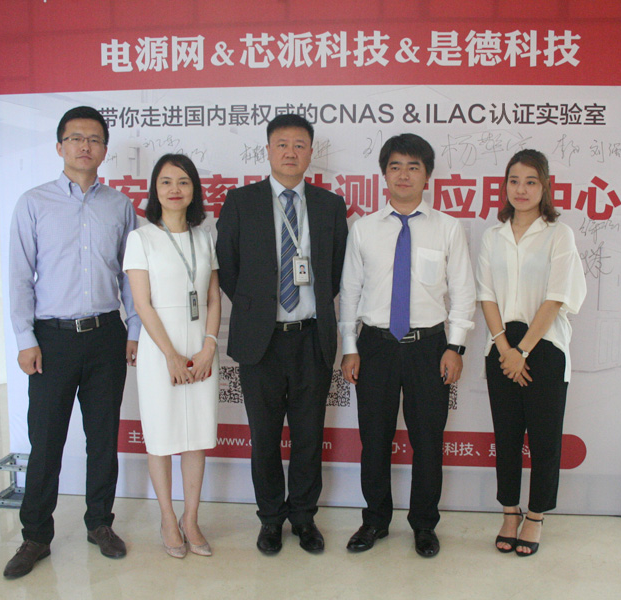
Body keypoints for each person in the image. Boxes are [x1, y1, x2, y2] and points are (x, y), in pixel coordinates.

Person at [5, 106, 139, 578]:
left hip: (106, 336)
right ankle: (35, 536)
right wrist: (25, 338)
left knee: (103, 437)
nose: (86, 146)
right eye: (76, 138)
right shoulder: (33, 203)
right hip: (52, 339)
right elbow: (19, 275)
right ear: (60, 146)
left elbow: (130, 276)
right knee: (46, 440)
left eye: (95, 139)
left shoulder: (120, 206)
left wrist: (134, 331)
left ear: (104, 149)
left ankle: (99, 523)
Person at [216, 114, 348, 555]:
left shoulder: (329, 206)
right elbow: (228, 267)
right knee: (265, 437)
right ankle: (271, 519)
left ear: (311, 152)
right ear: (268, 150)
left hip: (311, 338)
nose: (291, 152)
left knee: (309, 436)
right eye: (282, 144)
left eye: (299, 145)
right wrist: (257, 310)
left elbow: (336, 272)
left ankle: (304, 518)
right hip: (261, 341)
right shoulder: (241, 201)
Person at [339, 133, 476, 558]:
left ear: (427, 176)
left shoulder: (448, 228)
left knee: (428, 441)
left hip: (429, 347)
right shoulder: (363, 229)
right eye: (395, 166)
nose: (403, 174)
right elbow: (350, 292)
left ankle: (424, 524)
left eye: (413, 167)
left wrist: (456, 347)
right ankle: (374, 521)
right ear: (384, 174)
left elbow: (464, 293)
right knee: (374, 439)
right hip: (375, 346)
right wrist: (349, 346)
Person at [476, 149, 586, 557]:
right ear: (505, 186)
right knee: (506, 437)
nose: (521, 189)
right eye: (514, 181)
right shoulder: (492, 236)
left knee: (544, 440)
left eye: (531, 181)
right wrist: (505, 349)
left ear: (545, 187)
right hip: (501, 347)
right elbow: (486, 296)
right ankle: (510, 512)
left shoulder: (559, 234)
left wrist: (522, 350)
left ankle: (536, 516)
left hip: (544, 347)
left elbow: (556, 297)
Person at [124, 154, 221, 558]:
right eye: (166, 182)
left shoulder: (205, 237)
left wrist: (209, 347)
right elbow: (142, 304)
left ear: (194, 189)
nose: (175, 189)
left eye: (183, 181)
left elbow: (213, 297)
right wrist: (170, 355)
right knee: (162, 437)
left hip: (200, 348)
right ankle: (167, 518)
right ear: (155, 190)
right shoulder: (141, 238)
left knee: (196, 437)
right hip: (159, 348)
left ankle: (191, 518)